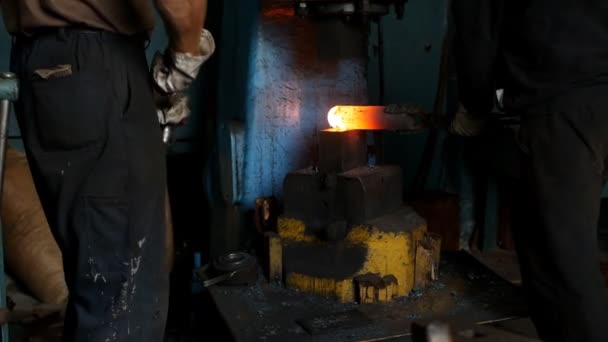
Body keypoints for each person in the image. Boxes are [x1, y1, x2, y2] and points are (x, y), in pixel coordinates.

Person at [0, 1, 214, 341]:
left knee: (98, 286)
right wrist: (182, 63)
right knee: (123, 300)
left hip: (44, 66)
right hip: (95, 64)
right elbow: (182, 5)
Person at [451, 1, 608, 341]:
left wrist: (476, 104)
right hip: (592, 93)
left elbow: (476, 34)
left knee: (560, 263)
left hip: (562, 105)